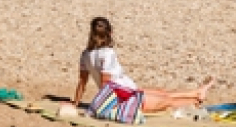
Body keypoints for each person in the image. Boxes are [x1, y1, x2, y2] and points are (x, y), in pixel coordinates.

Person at [73, 17, 214, 115]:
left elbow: (82, 83)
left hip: (127, 91)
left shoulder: (85, 54)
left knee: (162, 93)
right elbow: (106, 84)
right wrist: (103, 107)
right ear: (110, 33)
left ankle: (197, 93)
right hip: (125, 98)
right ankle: (194, 101)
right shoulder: (108, 54)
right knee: (167, 102)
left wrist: (76, 103)